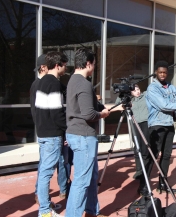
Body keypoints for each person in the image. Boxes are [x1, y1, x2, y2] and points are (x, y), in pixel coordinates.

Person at [65, 48, 110, 217]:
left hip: (78, 134)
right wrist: (103, 114)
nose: (94, 68)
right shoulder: (84, 83)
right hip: (83, 136)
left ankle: (91, 210)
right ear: (88, 63)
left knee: (91, 177)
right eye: (94, 64)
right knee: (82, 181)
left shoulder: (73, 80)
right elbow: (88, 114)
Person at [144, 60, 176, 195]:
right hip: (157, 126)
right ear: (156, 72)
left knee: (166, 155)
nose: (162, 75)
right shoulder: (152, 88)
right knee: (153, 155)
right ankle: (144, 186)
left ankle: (163, 184)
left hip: (169, 125)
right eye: (160, 72)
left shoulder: (170, 87)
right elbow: (163, 105)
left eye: (165, 73)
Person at [30, 55, 71, 206]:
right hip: (52, 134)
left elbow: (40, 112)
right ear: (57, 65)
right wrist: (67, 129)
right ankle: (45, 208)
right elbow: (55, 113)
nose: (66, 68)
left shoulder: (42, 82)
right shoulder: (50, 83)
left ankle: (45, 203)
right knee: (46, 172)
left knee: (45, 170)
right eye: (65, 65)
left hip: (45, 133)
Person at [115, 84, 150, 195]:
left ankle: (145, 171)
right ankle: (139, 170)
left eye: (138, 89)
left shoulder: (145, 96)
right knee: (137, 147)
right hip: (134, 123)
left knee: (145, 148)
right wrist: (122, 94)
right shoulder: (129, 99)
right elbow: (118, 104)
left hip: (145, 123)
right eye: (134, 90)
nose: (137, 92)